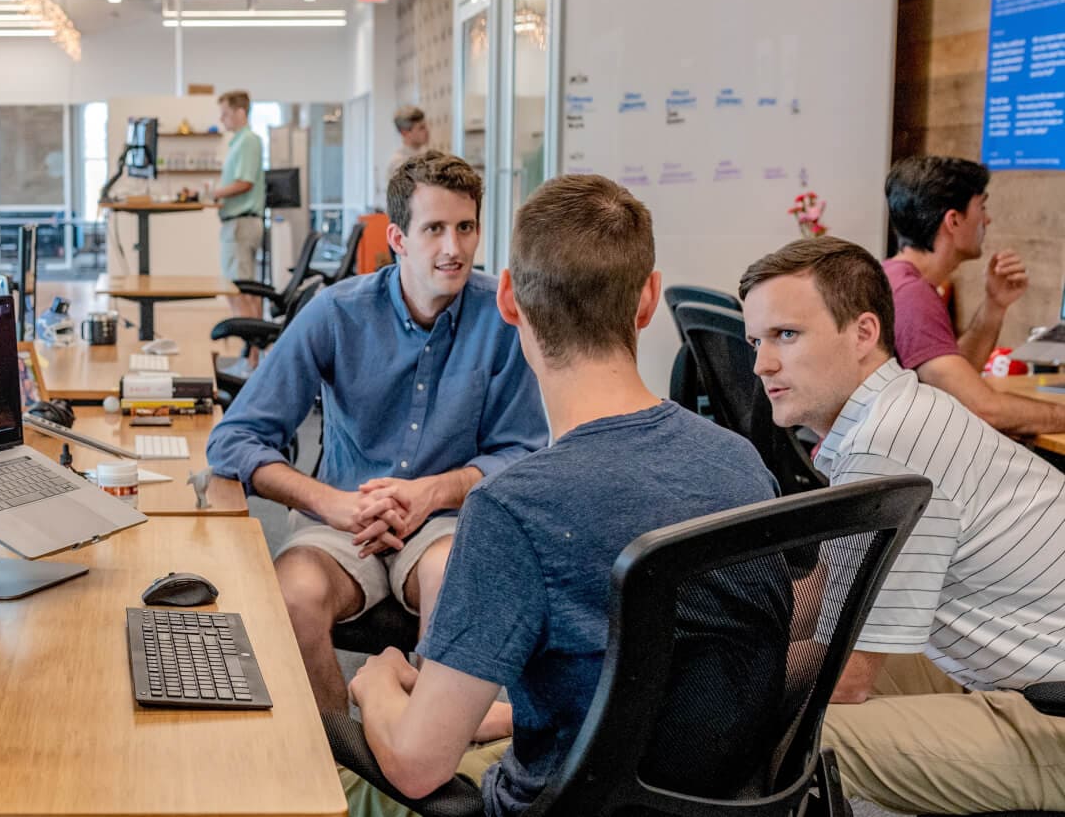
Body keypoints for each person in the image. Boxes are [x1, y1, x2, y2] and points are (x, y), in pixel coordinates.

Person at [343, 173, 789, 816]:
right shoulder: (739, 464)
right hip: (711, 800)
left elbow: (416, 766)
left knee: (338, 777)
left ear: (507, 299)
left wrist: (378, 680)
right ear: (648, 300)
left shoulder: (515, 508)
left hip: (554, 805)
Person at [206, 150, 548, 715]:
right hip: (342, 519)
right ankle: (342, 758)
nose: (453, 249)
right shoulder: (336, 314)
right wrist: (331, 503)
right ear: (397, 237)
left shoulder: (504, 318)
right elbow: (234, 439)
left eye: (466, 228)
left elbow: (526, 452)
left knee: (454, 582)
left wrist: (432, 493)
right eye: (434, 229)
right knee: (292, 597)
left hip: (444, 522)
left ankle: (421, 754)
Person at [738, 236, 1065, 815]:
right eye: (756, 341)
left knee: (795, 734)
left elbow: (848, 678)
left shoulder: (888, 445)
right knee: (760, 680)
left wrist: (678, 688)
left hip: (1049, 719)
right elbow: (831, 593)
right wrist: (714, 645)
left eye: (786, 335)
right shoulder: (893, 416)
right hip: (1019, 680)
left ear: (864, 334)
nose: (762, 364)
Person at [883, 155, 1065, 434]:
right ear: (953, 221)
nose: (987, 219)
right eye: (982, 206)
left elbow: (954, 382)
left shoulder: (895, 277)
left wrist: (995, 305)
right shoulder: (911, 296)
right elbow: (982, 408)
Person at [211, 89, 266, 317]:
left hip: (242, 224)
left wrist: (215, 193)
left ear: (240, 112)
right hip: (237, 224)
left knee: (239, 291)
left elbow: (245, 182)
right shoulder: (238, 143)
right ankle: (252, 349)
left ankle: (252, 350)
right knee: (241, 289)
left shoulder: (248, 141)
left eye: (225, 113)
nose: (222, 119)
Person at [384, 105, 431, 190]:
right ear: (405, 133)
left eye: (426, 126)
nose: (427, 131)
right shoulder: (398, 163)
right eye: (421, 128)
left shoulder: (428, 154)